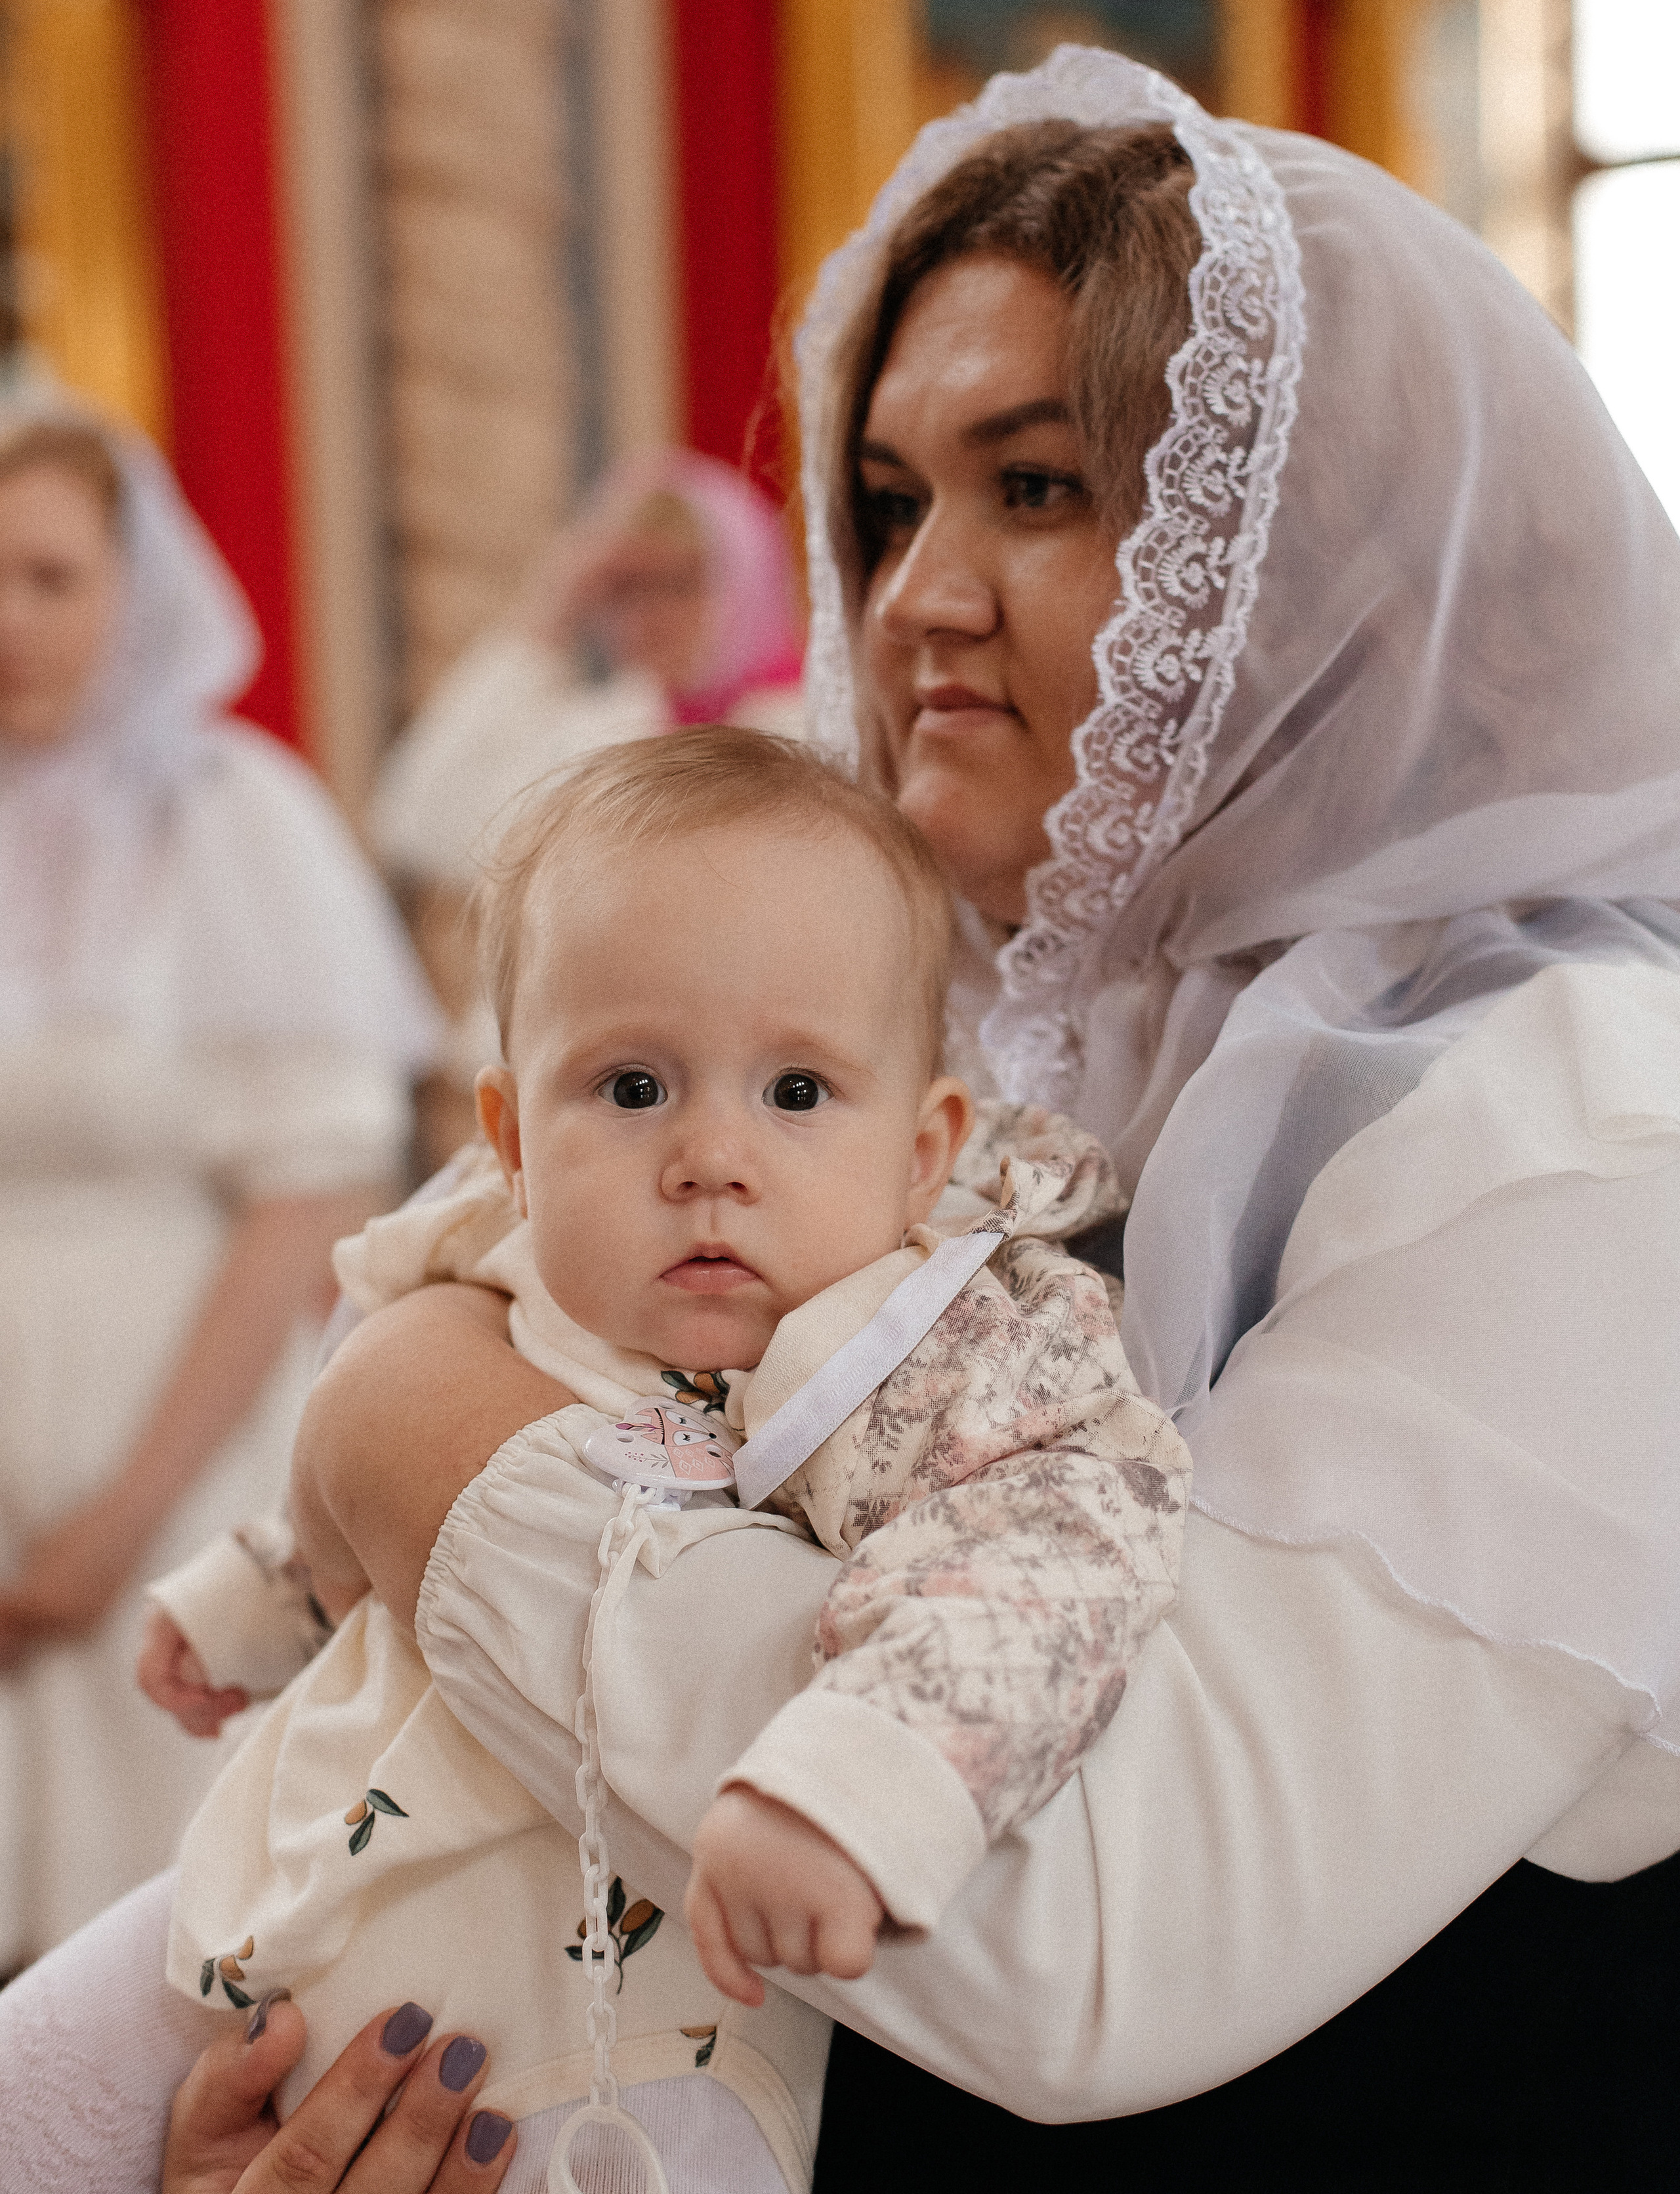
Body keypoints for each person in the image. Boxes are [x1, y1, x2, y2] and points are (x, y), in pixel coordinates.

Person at [8, 45, 1680, 2189]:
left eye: (1042, 487)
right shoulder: (952, 1024)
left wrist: (421, 1440)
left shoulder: (1586, 1131)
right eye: (889, 504)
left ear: (1316, 554)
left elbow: (1085, 1943)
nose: (916, 598)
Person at [147, 730, 1186, 2189]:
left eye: (798, 1093)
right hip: (315, 1903)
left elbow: (1047, 1561)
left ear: (920, 1144)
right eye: (631, 1091)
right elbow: (340, 1493)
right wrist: (247, 1603)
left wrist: (858, 1779)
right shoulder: (497, 1263)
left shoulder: (917, 1345)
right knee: (50, 2084)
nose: (708, 1156)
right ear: (510, 1136)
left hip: (633, 2031)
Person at [0, 398, 441, 1971]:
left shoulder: (234, 816)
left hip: (175, 1477)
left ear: (134, 591)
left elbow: (307, 1197)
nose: (10, 617)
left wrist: (112, 1521)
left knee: (175, 1955)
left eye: (49, 576)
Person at [369, 452, 805, 1156]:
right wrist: (547, 610)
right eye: (622, 590)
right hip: (568, 1119)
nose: (649, 617)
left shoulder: (811, 735)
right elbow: (420, 817)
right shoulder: (599, 732)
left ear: (744, 582)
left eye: (678, 585)